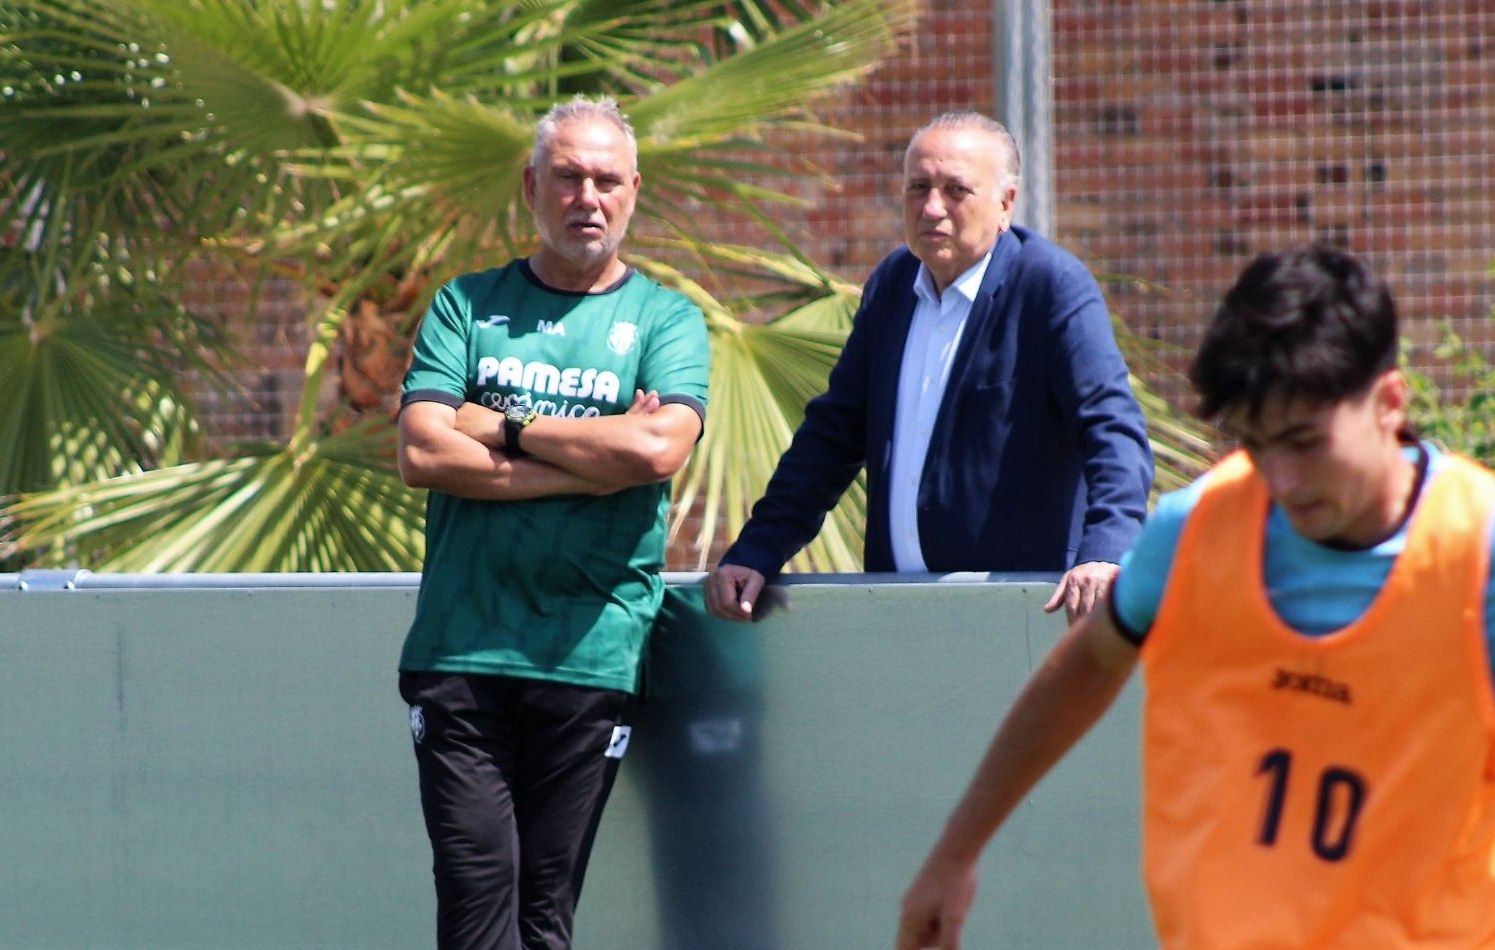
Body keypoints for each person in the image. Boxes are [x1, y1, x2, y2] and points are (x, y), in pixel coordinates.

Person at [896, 244, 1495, 949]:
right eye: (1256, 443)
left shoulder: (1477, 552)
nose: (1283, 477)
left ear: (1389, 402)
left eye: (1306, 441)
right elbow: (1088, 667)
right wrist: (956, 851)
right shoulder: (1197, 527)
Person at [394, 96, 708, 950]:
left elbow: (653, 449)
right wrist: (579, 468)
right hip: (461, 651)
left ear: (634, 190)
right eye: (568, 177)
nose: (588, 198)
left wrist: (501, 427)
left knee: (544, 913)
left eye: (607, 180)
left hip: (590, 649)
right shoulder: (467, 304)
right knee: (474, 901)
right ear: (532, 185)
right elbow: (422, 452)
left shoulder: (665, 319)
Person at [704, 111, 1152, 623]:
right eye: (918, 187)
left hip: (1024, 613)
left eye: (956, 190)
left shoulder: (1050, 287)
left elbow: (1114, 433)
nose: (932, 207)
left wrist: (1105, 553)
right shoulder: (893, 285)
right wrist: (757, 549)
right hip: (902, 610)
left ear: (1005, 203)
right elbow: (830, 439)